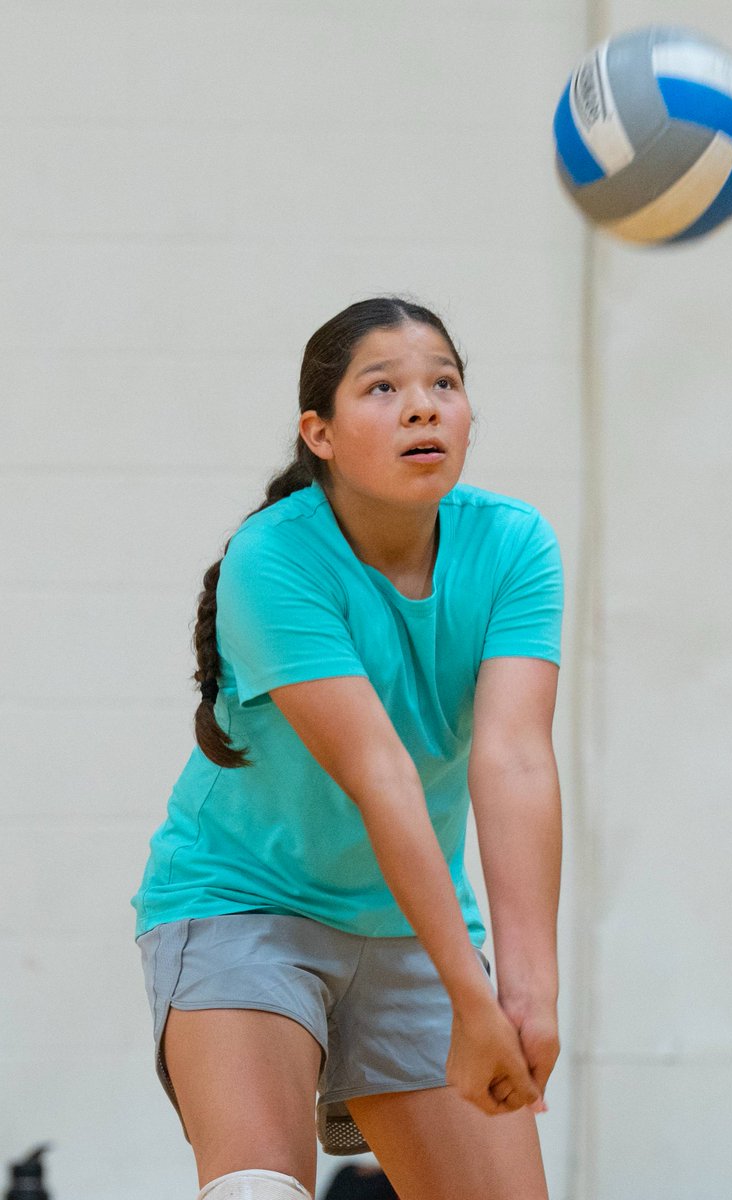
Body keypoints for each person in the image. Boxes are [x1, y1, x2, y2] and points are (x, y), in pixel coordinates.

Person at [132, 296, 564, 1200]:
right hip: (245, 904)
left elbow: (515, 760)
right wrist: (469, 995)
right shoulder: (276, 558)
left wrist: (525, 994)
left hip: (409, 925)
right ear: (318, 434)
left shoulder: (515, 544)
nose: (423, 405)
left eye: (444, 382)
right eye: (384, 387)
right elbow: (381, 773)